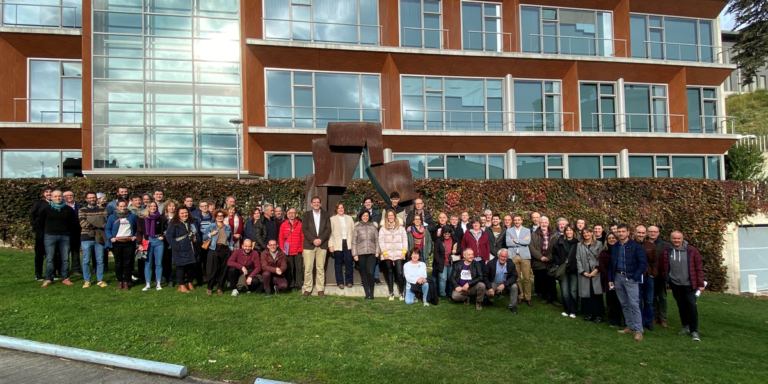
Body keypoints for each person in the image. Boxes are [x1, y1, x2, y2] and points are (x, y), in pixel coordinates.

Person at [660, 231, 705, 342]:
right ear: (671, 239)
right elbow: (663, 265)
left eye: (678, 238)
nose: (676, 240)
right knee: (681, 306)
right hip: (675, 284)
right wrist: (668, 279)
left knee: (691, 306)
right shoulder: (667, 251)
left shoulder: (691, 250)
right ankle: (685, 326)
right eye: (674, 238)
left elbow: (698, 268)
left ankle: (694, 330)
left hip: (689, 284)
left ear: (682, 239)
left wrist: (700, 284)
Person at [608, 223, 648, 342]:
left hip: (630, 278)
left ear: (628, 233)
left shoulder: (635, 246)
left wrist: (635, 277)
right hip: (618, 277)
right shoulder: (615, 246)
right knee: (624, 303)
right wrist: (610, 279)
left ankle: (638, 330)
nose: (620, 233)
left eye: (623, 231)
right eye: (619, 232)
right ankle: (630, 326)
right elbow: (612, 264)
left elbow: (642, 263)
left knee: (634, 304)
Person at [39, 190, 76, 287]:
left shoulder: (69, 210)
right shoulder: (46, 209)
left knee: (65, 258)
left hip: (65, 236)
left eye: (59, 196)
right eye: (55, 196)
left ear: (63, 197)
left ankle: (65, 278)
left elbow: (73, 224)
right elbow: (40, 223)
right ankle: (48, 278)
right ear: (51, 197)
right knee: (50, 258)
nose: (58, 198)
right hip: (50, 236)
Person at [105, 199, 138, 291]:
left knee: (128, 263)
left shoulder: (132, 216)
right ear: (117, 207)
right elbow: (107, 229)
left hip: (129, 242)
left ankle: (126, 281)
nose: (123, 208)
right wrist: (111, 237)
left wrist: (135, 236)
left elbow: (137, 228)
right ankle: (120, 282)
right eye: (121, 206)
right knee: (118, 263)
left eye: (124, 206)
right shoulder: (112, 217)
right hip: (117, 243)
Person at [301, 196, 331, 297]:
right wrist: (313, 240)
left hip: (322, 245)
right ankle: (307, 288)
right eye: (314, 202)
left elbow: (328, 229)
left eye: (318, 202)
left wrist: (320, 239)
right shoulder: (306, 215)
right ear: (311, 204)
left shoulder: (326, 215)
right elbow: (304, 229)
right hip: (309, 245)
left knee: (320, 268)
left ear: (320, 204)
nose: (316, 204)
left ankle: (320, 289)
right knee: (308, 268)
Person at [166, 206, 199, 293]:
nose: (184, 215)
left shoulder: (191, 221)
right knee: (181, 267)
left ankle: (190, 282)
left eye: (186, 213)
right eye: (182, 213)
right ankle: (181, 285)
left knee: (191, 265)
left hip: (191, 246)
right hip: (180, 248)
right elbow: (169, 236)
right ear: (178, 214)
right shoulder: (173, 223)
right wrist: (177, 247)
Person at [79, 192, 108, 288]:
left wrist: (91, 220)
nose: (92, 199)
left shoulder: (102, 209)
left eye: (94, 197)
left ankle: (100, 280)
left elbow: (104, 222)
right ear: (86, 199)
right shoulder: (82, 210)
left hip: (99, 237)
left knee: (100, 260)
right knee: (86, 260)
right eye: (90, 198)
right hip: (86, 237)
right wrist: (97, 222)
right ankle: (87, 280)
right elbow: (83, 223)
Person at [379, 209, 408, 301]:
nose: (390, 217)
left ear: (395, 216)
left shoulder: (401, 228)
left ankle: (401, 293)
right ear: (387, 217)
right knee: (390, 273)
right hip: (388, 254)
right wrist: (384, 252)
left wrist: (404, 252)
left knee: (399, 273)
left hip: (399, 254)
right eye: (389, 216)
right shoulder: (383, 228)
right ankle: (391, 293)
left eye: (392, 215)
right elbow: (381, 241)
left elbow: (405, 240)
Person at [136, 201, 166, 291]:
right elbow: (139, 232)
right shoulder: (142, 218)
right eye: (151, 206)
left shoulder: (161, 218)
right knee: (148, 263)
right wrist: (139, 244)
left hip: (158, 241)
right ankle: (148, 283)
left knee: (158, 263)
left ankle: (158, 283)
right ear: (148, 207)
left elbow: (166, 229)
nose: (153, 208)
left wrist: (163, 236)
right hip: (147, 240)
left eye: (154, 206)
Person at [577, 227, 605, 323]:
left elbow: (601, 258)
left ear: (592, 233)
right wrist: (582, 271)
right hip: (584, 272)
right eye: (584, 233)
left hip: (595, 272)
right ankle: (590, 314)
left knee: (596, 294)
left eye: (588, 232)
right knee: (587, 294)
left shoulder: (599, 244)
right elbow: (578, 259)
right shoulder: (579, 245)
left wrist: (596, 270)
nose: (586, 234)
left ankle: (598, 315)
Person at [530, 216, 560, 306]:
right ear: (539, 223)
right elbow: (531, 247)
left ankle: (554, 299)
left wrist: (549, 257)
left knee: (551, 281)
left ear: (548, 223)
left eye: (545, 222)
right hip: (538, 261)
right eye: (542, 222)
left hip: (550, 261)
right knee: (541, 281)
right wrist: (540, 257)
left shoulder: (554, 234)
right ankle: (545, 297)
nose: (543, 224)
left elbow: (556, 247)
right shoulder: (534, 234)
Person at [203, 209, 233, 295]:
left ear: (224, 217)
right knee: (212, 270)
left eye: (221, 216)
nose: (220, 217)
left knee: (223, 269)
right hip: (214, 249)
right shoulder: (211, 226)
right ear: (215, 217)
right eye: (218, 216)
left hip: (225, 249)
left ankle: (220, 287)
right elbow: (204, 237)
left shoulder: (228, 227)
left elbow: (230, 239)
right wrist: (211, 234)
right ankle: (210, 287)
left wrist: (231, 248)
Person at [635, 225, 659, 331]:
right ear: (635, 233)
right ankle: (639, 321)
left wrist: (653, 273)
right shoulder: (630, 244)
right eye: (639, 232)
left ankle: (649, 322)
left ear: (646, 234)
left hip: (648, 276)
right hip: (635, 277)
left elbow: (655, 261)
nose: (641, 235)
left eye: (643, 233)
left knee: (649, 301)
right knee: (638, 300)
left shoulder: (650, 245)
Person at [351, 210, 380, 300]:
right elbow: (354, 242)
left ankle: (372, 293)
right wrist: (354, 254)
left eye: (367, 215)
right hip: (361, 253)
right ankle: (367, 293)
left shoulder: (373, 227)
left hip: (371, 253)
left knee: (370, 272)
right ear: (360, 217)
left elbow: (377, 240)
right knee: (363, 273)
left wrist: (377, 251)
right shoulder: (357, 228)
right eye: (364, 215)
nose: (365, 217)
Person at [648, 225, 672, 328]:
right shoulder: (644, 244)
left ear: (658, 233)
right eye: (651, 232)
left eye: (655, 232)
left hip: (661, 275)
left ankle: (663, 318)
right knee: (652, 297)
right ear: (647, 233)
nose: (652, 234)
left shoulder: (665, 245)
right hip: (649, 274)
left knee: (662, 297)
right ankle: (655, 316)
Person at [553, 225, 579, 318]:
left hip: (574, 270)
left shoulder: (578, 243)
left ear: (574, 232)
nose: (569, 232)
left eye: (570, 230)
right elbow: (554, 253)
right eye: (567, 230)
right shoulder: (560, 241)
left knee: (573, 290)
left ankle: (574, 310)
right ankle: (567, 309)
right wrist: (559, 262)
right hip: (563, 269)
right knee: (564, 291)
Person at [507, 214, 532, 306]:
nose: (517, 221)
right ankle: (520, 296)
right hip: (514, 256)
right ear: (513, 221)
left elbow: (527, 242)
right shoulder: (509, 231)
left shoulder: (526, 230)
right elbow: (508, 243)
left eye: (519, 220)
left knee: (527, 278)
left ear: (522, 221)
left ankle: (528, 297)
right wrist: (521, 240)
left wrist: (515, 240)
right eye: (515, 220)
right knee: (516, 278)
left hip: (524, 256)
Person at [483, 249, 519, 314]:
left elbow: (514, 276)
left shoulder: (510, 263)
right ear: (498, 256)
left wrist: (505, 284)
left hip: (506, 283)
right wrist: (489, 287)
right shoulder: (491, 263)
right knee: (488, 291)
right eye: (501, 256)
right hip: (494, 283)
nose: (503, 258)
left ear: (507, 257)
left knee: (514, 286)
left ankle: (513, 306)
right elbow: (485, 276)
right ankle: (490, 300)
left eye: (505, 257)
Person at [599, 232, 623, 327]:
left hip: (621, 278)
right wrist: (609, 277)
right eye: (610, 238)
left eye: (614, 238)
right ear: (607, 240)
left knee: (623, 300)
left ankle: (625, 321)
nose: (612, 239)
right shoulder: (604, 252)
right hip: (610, 280)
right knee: (612, 301)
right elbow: (602, 266)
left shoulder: (621, 250)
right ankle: (614, 321)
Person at [329, 203, 355, 289]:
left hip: (348, 243)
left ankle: (349, 281)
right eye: (339, 208)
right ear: (336, 210)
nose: (341, 209)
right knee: (338, 263)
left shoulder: (349, 218)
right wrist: (331, 245)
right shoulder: (332, 219)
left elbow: (353, 231)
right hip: (337, 243)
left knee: (349, 262)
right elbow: (330, 233)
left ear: (344, 209)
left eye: (342, 208)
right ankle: (340, 282)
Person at [279, 207, 304, 291]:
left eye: (293, 213)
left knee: (298, 268)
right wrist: (282, 248)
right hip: (287, 251)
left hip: (298, 250)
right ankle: (290, 284)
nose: (291, 214)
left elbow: (303, 238)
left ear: (296, 214)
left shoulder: (300, 224)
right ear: (287, 214)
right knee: (289, 268)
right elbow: (281, 238)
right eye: (290, 213)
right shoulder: (283, 224)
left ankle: (298, 284)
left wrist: (302, 249)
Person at [433, 226, 458, 299]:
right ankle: (442, 294)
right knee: (443, 279)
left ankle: (450, 293)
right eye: (445, 234)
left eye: (448, 234)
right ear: (442, 233)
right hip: (442, 263)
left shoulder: (454, 240)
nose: (446, 236)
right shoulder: (439, 241)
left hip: (451, 262)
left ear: (450, 233)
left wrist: (455, 252)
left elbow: (458, 249)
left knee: (451, 278)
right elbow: (436, 252)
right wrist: (439, 261)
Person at [62, 190, 82, 276]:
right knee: (64, 252)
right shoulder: (61, 207)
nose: (69, 197)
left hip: (77, 232)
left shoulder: (79, 206)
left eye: (71, 195)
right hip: (64, 232)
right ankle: (63, 270)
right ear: (63, 198)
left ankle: (76, 270)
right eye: (66, 196)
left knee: (75, 252)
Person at [161, 200, 178, 286]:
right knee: (167, 261)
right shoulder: (163, 217)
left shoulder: (178, 217)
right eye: (169, 206)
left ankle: (179, 279)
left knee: (178, 260)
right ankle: (169, 279)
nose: (171, 208)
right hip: (166, 241)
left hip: (177, 240)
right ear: (166, 207)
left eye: (173, 206)